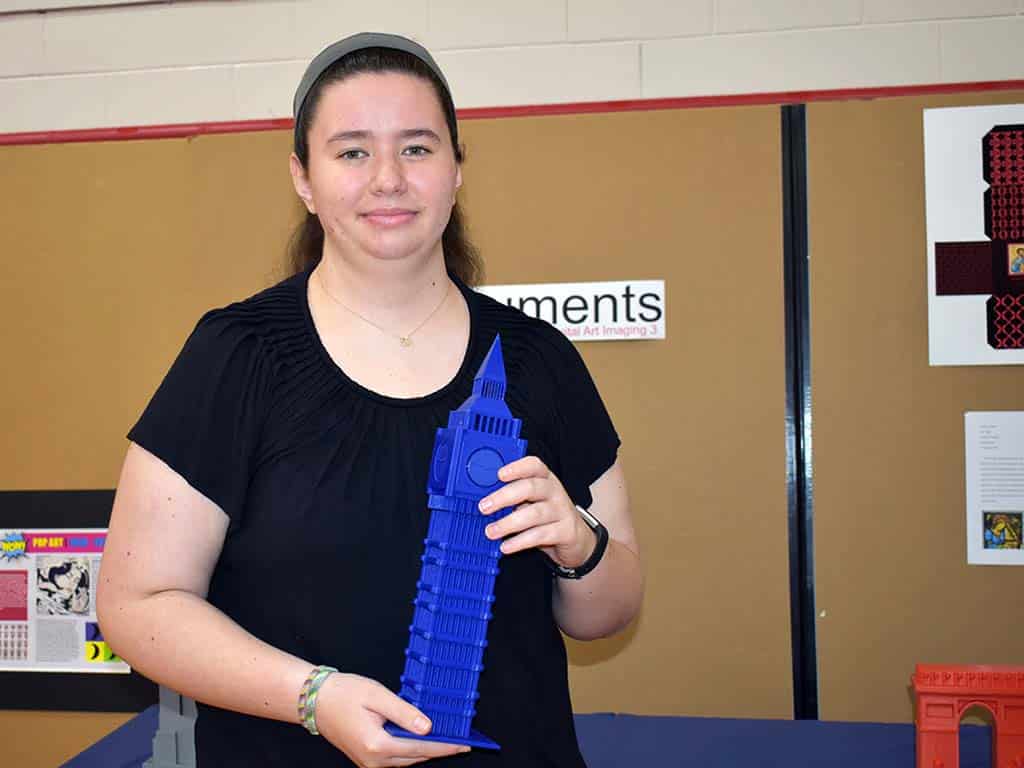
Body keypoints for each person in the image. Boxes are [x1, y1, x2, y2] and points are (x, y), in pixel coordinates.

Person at [97, 32, 642, 768]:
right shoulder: (236, 355)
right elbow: (137, 605)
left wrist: (579, 545)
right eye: (352, 151)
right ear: (304, 177)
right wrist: (311, 695)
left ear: (456, 171)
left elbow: (610, 613)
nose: (388, 178)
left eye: (417, 149)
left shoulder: (539, 361)